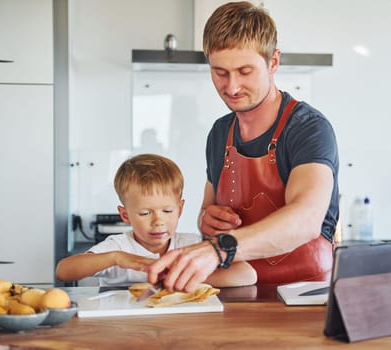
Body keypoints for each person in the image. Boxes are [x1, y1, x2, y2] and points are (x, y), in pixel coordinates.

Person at [147, 1, 339, 292]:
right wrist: (206, 221)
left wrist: (220, 248)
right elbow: (206, 211)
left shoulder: (307, 128)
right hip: (234, 294)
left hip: (304, 297)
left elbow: (307, 219)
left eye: (245, 71)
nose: (232, 87)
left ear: (273, 62)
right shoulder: (220, 133)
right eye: (220, 72)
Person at [56, 153, 257, 287]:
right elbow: (63, 271)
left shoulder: (190, 244)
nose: (158, 221)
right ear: (125, 215)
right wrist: (116, 258)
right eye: (145, 213)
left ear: (180, 209)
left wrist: (188, 278)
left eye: (167, 211)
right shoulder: (118, 247)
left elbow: (248, 274)